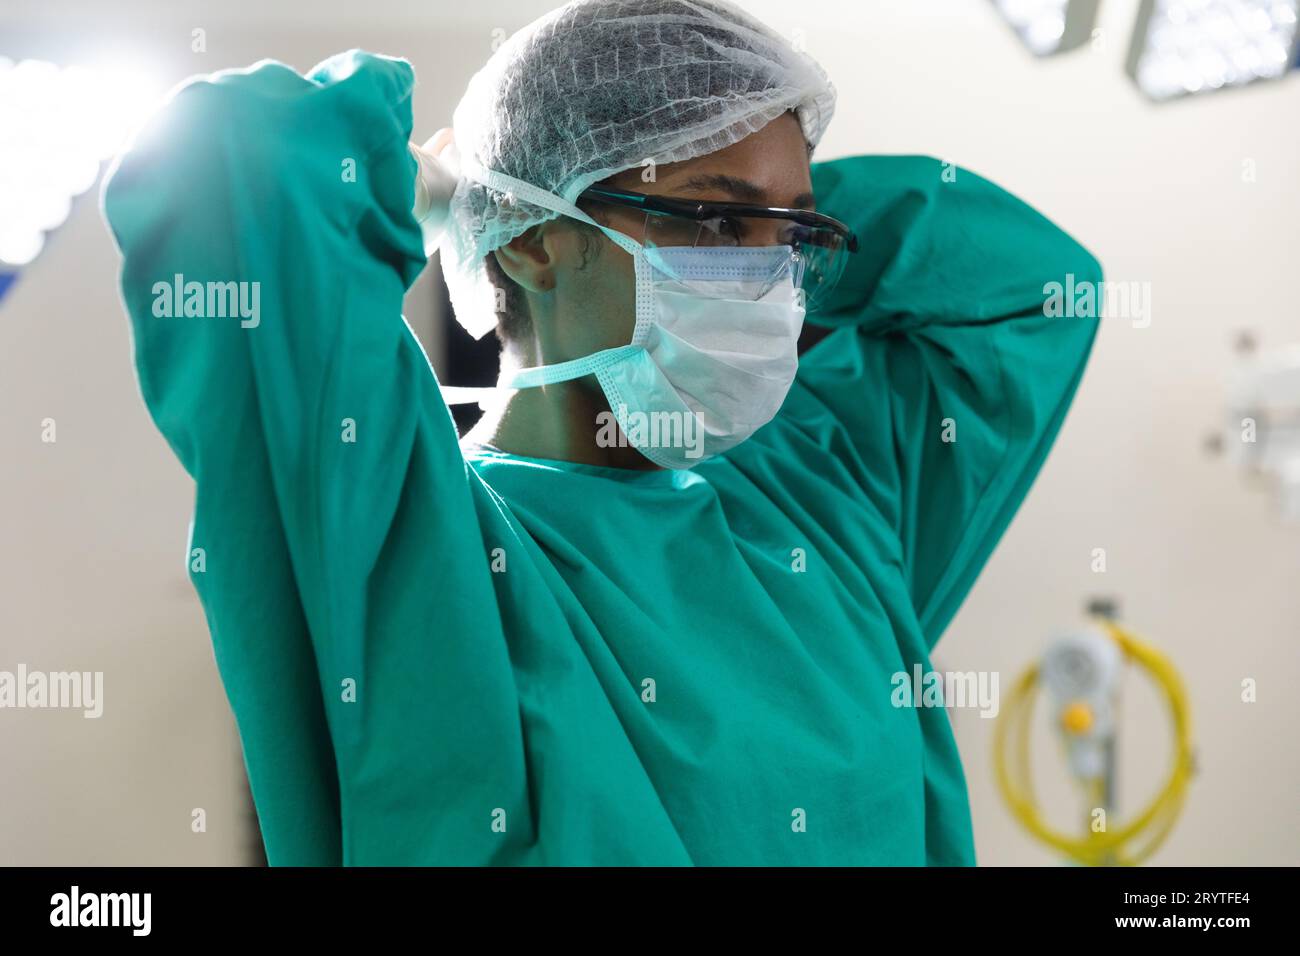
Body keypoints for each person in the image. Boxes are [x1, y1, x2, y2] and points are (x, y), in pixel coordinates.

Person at [102, 0, 1102, 865]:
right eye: (714, 225)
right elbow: (223, 169)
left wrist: (753, 177)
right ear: (536, 239)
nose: (765, 280)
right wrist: (454, 192)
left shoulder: (819, 500)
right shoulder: (415, 547)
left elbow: (1030, 293)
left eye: (795, 240)